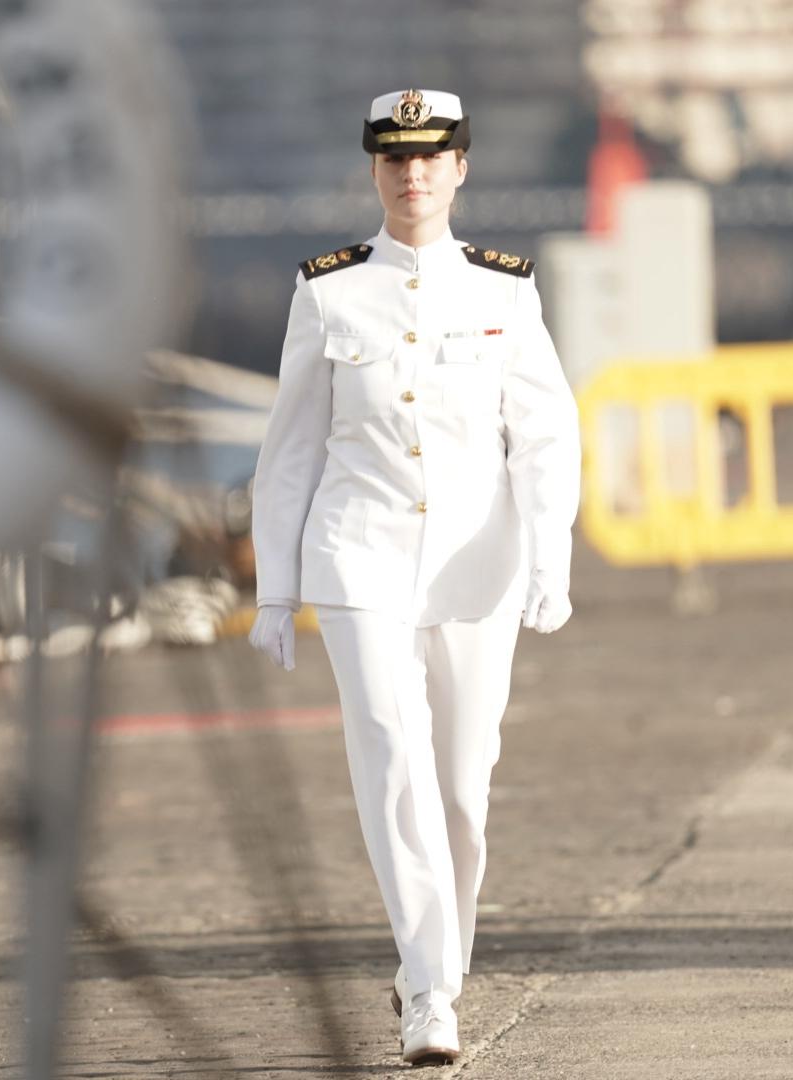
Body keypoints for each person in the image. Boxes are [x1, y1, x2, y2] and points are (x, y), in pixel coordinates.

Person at [247, 88, 580, 1066]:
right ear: (373, 171)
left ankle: (432, 969)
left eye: (430, 157)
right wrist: (274, 588)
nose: (412, 173)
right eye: (394, 158)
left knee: (462, 786)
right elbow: (291, 451)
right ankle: (430, 990)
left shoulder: (503, 290)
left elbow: (545, 435)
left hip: (477, 558)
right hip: (361, 556)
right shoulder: (327, 291)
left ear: (460, 167)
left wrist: (550, 555)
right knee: (389, 756)